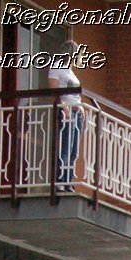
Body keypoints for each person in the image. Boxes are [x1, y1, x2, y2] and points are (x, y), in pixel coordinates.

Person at [47, 54, 83, 190]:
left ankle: (68, 180)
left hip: (76, 112)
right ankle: (59, 180)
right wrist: (62, 106)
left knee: (74, 150)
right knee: (65, 146)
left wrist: (81, 108)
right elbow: (54, 90)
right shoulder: (56, 67)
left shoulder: (70, 71)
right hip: (66, 111)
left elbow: (75, 95)